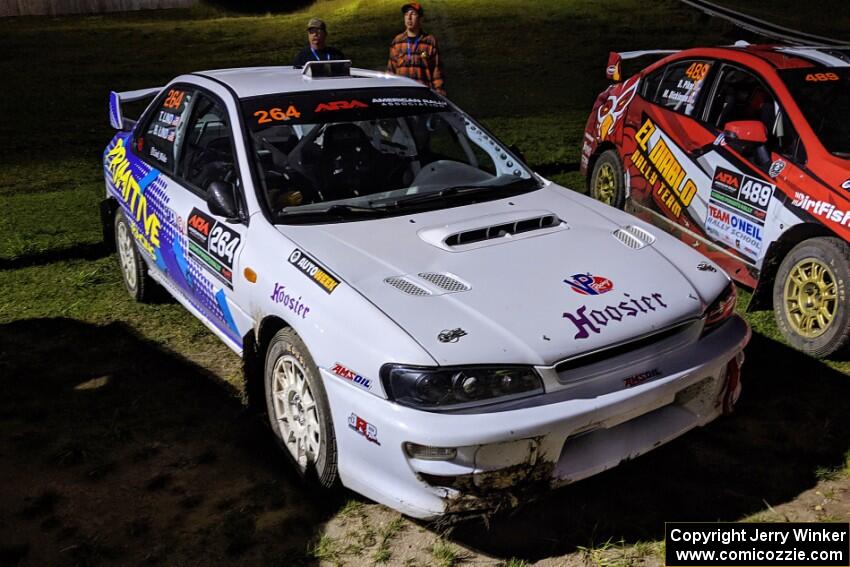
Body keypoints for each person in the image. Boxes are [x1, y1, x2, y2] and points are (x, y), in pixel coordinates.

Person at [386, 2, 445, 96]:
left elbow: (437, 72)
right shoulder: (397, 41)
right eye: (406, 14)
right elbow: (390, 71)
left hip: (424, 94)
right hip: (402, 93)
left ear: (420, 18)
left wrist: (440, 94)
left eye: (413, 14)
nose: (409, 18)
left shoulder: (429, 41)